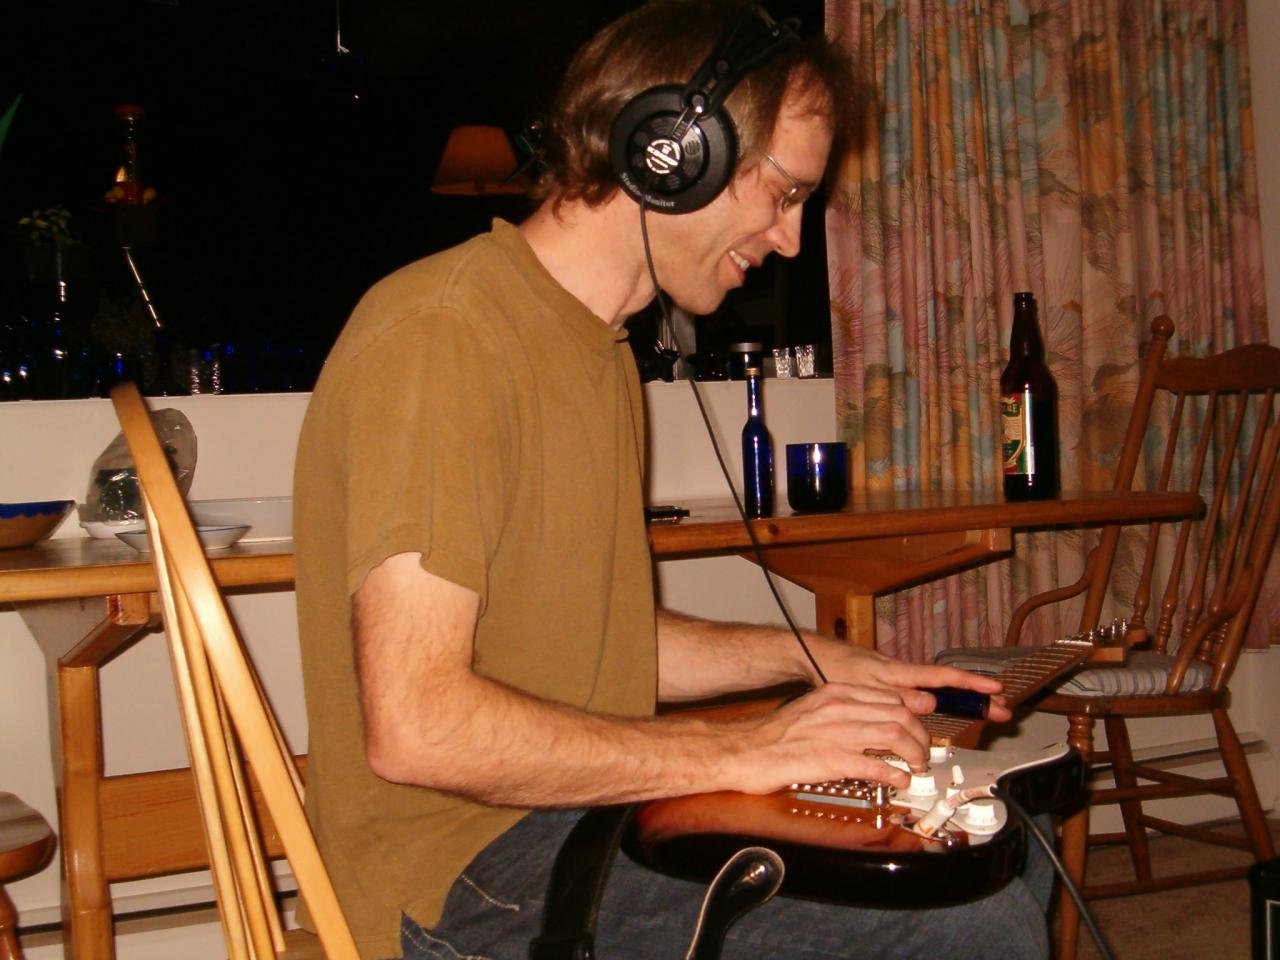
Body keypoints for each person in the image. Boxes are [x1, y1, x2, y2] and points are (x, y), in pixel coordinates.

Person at [293, 2, 1053, 958]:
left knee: (1002, 847)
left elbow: (592, 641)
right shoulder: (444, 336)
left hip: (571, 824)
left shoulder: (598, 349)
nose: (791, 239)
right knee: (961, 927)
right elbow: (419, 728)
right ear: (671, 154)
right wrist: (746, 747)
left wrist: (817, 661)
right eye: (784, 194)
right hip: (454, 884)